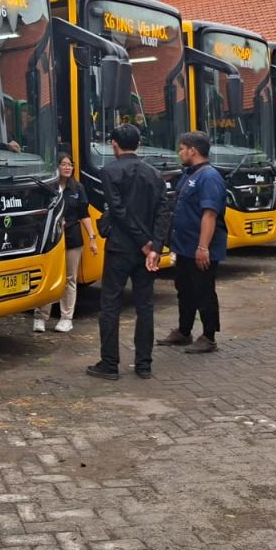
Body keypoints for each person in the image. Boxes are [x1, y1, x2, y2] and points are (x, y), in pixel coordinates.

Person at [86, 123, 168, 381]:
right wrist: (155, 246)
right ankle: (144, 364)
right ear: (139, 144)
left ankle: (109, 363)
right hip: (147, 254)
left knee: (110, 304)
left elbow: (118, 211)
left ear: (114, 144)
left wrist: (144, 242)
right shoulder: (154, 173)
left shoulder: (109, 171)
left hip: (120, 248)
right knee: (145, 306)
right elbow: (163, 213)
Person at [159, 130, 227, 354]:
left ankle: (209, 337)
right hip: (184, 247)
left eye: (182, 148)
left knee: (204, 291)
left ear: (193, 150)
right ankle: (184, 331)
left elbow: (209, 215)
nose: (180, 152)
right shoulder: (190, 174)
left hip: (200, 248)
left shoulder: (209, 177)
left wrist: (203, 247)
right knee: (185, 289)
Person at [33, 152, 97, 334]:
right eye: (64, 164)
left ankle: (66, 318)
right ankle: (40, 317)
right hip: (51, 240)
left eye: (70, 164)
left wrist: (92, 237)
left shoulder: (78, 188)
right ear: (56, 167)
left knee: (70, 278)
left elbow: (84, 214)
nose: (68, 167)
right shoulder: (48, 188)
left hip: (72, 237)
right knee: (50, 277)